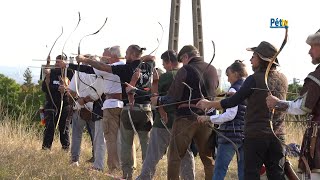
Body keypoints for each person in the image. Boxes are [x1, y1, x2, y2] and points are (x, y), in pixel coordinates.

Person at [196, 41, 288, 180]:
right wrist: (241, 97)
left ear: (262, 58)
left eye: (254, 56)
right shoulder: (283, 79)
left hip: (256, 137)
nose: (251, 60)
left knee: (250, 175)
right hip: (278, 137)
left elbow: (232, 102)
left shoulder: (254, 79)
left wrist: (209, 103)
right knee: (277, 175)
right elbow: (261, 101)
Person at [76, 44, 155, 179]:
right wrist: (140, 58)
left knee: (125, 142)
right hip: (147, 110)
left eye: (127, 53)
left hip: (130, 109)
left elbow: (103, 67)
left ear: (130, 54)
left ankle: (126, 174)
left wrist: (85, 59)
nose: (125, 55)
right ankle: (147, 175)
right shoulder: (148, 65)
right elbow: (152, 57)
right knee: (145, 143)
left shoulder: (125, 68)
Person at [151, 45, 218, 180]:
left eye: (182, 59)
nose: (182, 63)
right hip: (207, 118)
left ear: (186, 56)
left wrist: (158, 100)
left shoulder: (185, 70)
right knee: (208, 158)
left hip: (186, 118)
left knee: (175, 156)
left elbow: (172, 97)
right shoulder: (213, 69)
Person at [266, 29, 320, 179]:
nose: (310, 51)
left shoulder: (317, 77)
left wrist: (277, 103)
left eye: (313, 46)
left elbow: (302, 107)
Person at [135, 50, 195, 180]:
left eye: (164, 63)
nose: (163, 66)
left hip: (163, 122)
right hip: (182, 121)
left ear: (168, 62)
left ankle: (144, 177)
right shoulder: (188, 75)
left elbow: (154, 97)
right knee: (184, 153)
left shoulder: (167, 76)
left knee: (153, 154)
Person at [197, 60, 248, 180]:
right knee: (243, 172)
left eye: (229, 75)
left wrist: (209, 118)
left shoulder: (234, 90)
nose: (228, 79)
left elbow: (230, 115)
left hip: (230, 136)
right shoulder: (247, 87)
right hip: (245, 135)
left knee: (219, 170)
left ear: (236, 74)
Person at [67, 61, 97, 166]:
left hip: (81, 107)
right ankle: (97, 160)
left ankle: (75, 160)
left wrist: (76, 101)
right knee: (96, 135)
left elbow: (71, 91)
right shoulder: (99, 71)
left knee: (76, 135)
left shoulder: (79, 72)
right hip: (95, 108)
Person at [41, 54, 73, 151]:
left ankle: (65, 149)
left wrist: (66, 90)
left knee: (64, 128)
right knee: (49, 127)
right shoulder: (51, 73)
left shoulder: (70, 73)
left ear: (65, 63)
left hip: (65, 105)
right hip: (51, 104)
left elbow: (74, 89)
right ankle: (46, 148)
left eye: (59, 62)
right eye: (56, 61)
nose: (57, 63)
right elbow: (44, 88)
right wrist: (56, 87)